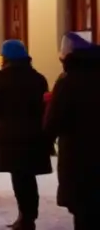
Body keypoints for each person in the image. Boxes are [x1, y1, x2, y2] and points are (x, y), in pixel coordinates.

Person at [0, 39, 51, 230]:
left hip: (9, 135)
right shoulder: (38, 78)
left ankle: (25, 217)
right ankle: (29, 215)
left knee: (19, 177)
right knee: (28, 176)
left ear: (6, 57)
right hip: (34, 134)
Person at [44, 32, 100, 229]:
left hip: (79, 154)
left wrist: (45, 141)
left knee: (84, 208)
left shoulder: (68, 81)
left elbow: (54, 119)